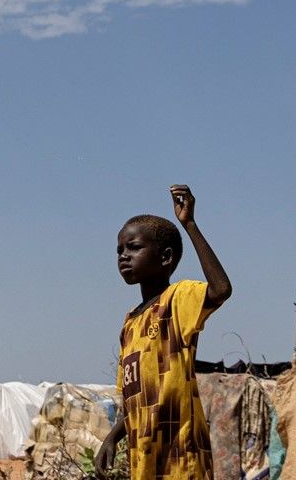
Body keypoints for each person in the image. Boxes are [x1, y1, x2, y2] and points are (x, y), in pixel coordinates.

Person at [93, 185, 232, 480]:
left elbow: (220, 290)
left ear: (166, 257)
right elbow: (133, 397)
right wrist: (112, 437)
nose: (123, 256)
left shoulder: (177, 300)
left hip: (181, 456)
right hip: (144, 459)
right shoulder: (129, 324)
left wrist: (190, 225)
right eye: (119, 250)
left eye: (133, 247)